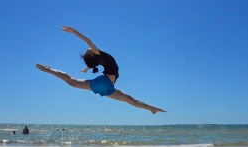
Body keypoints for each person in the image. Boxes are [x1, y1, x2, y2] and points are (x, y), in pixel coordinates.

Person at [36, 25, 166, 114]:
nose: (89, 48)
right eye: (89, 50)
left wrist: (87, 69)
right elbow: (88, 41)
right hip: (104, 84)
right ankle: (48, 70)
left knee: (131, 100)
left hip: (107, 86)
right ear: (93, 53)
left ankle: (152, 109)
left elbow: (94, 62)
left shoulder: (99, 58)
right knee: (72, 81)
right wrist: (74, 31)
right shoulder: (98, 53)